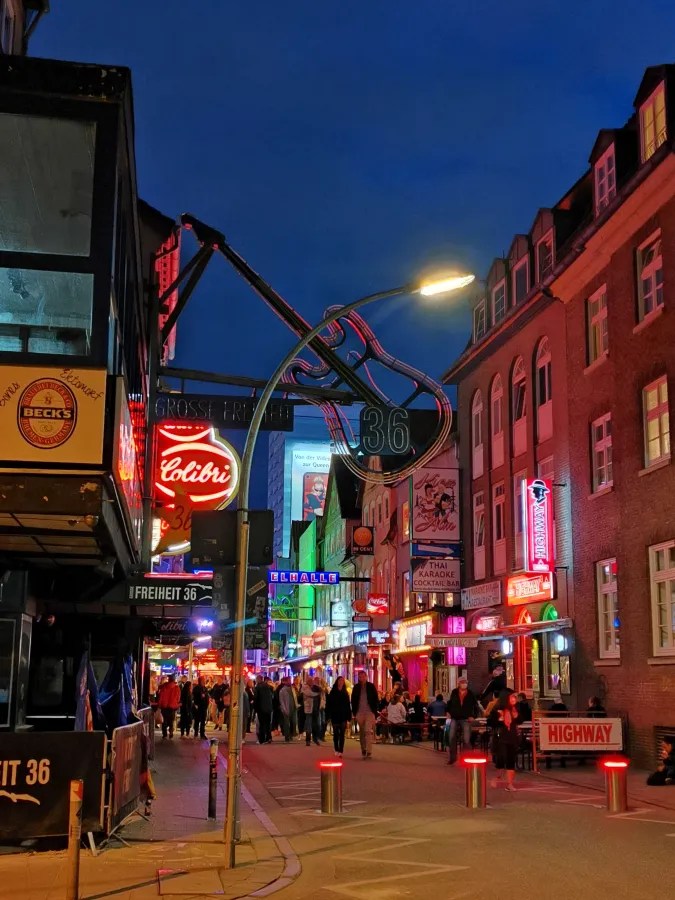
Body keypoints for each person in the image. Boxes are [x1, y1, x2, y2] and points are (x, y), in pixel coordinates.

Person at [488, 690, 520, 791]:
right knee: (501, 760)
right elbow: (491, 722)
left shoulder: (515, 709)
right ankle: (497, 778)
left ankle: (510, 784)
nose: (514, 699)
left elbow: (521, 720)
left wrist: (517, 716)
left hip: (512, 737)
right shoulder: (498, 710)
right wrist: (499, 719)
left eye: (515, 697)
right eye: (512, 697)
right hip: (501, 737)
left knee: (511, 760)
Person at [446, 676, 479, 764]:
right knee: (451, 737)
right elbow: (450, 703)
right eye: (462, 682)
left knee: (466, 739)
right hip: (454, 717)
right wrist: (448, 712)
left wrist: (473, 716)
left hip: (466, 718)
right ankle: (452, 758)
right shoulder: (454, 692)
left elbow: (476, 706)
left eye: (465, 682)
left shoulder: (471, 693)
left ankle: (466, 757)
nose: (464, 684)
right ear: (459, 683)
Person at [351, 670, 379, 759]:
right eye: (360, 677)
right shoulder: (356, 687)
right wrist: (355, 712)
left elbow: (376, 699)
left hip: (369, 712)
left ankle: (369, 751)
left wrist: (375, 712)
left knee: (367, 731)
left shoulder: (371, 686)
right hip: (360, 712)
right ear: (358, 678)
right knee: (362, 732)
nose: (362, 678)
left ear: (366, 677)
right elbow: (353, 700)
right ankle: (363, 749)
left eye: (363, 676)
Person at [326, 676, 352, 757]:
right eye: (340, 680)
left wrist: (349, 716)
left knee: (342, 734)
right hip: (335, 714)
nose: (341, 682)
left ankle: (341, 750)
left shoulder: (345, 693)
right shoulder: (333, 692)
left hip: (343, 715)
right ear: (337, 681)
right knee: (336, 733)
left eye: (342, 681)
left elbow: (348, 705)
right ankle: (336, 748)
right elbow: (329, 704)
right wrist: (328, 715)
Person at [157, 674, 181, 740]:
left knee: (164, 721)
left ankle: (164, 734)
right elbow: (178, 698)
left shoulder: (164, 686)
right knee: (171, 720)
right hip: (172, 706)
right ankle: (171, 731)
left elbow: (161, 696)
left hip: (164, 706)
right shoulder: (176, 688)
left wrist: (159, 704)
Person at [301, 677, 322, 746]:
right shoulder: (305, 688)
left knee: (316, 725)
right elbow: (310, 694)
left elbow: (321, 693)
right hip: (309, 709)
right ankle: (308, 740)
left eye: (312, 681)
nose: (312, 682)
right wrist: (317, 694)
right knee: (309, 725)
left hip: (316, 709)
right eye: (310, 681)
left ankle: (315, 739)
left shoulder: (315, 687)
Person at [254, 675, 274, 744]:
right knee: (268, 724)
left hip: (261, 708)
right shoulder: (269, 687)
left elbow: (256, 699)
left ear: (258, 679)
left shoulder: (257, 688)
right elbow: (272, 697)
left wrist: (255, 709)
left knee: (262, 724)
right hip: (269, 708)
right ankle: (269, 738)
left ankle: (262, 739)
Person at [279, 676, 298, 742]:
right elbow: (282, 701)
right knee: (287, 723)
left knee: (294, 722)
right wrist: (284, 709)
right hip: (286, 708)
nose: (290, 682)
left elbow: (295, 697)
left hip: (294, 708)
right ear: (285, 681)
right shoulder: (282, 690)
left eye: (290, 680)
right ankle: (287, 737)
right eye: (289, 680)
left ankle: (291, 734)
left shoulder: (292, 688)